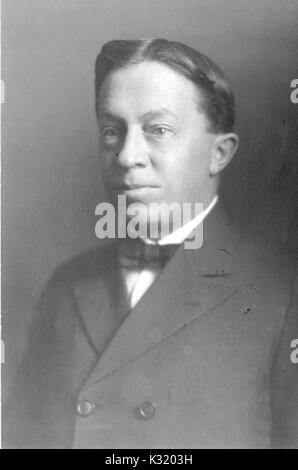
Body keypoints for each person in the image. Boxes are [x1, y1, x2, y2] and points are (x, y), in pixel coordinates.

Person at [4, 39, 298, 449]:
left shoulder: (284, 290)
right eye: (113, 130)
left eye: (158, 130)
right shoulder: (67, 285)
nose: (127, 156)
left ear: (219, 153)